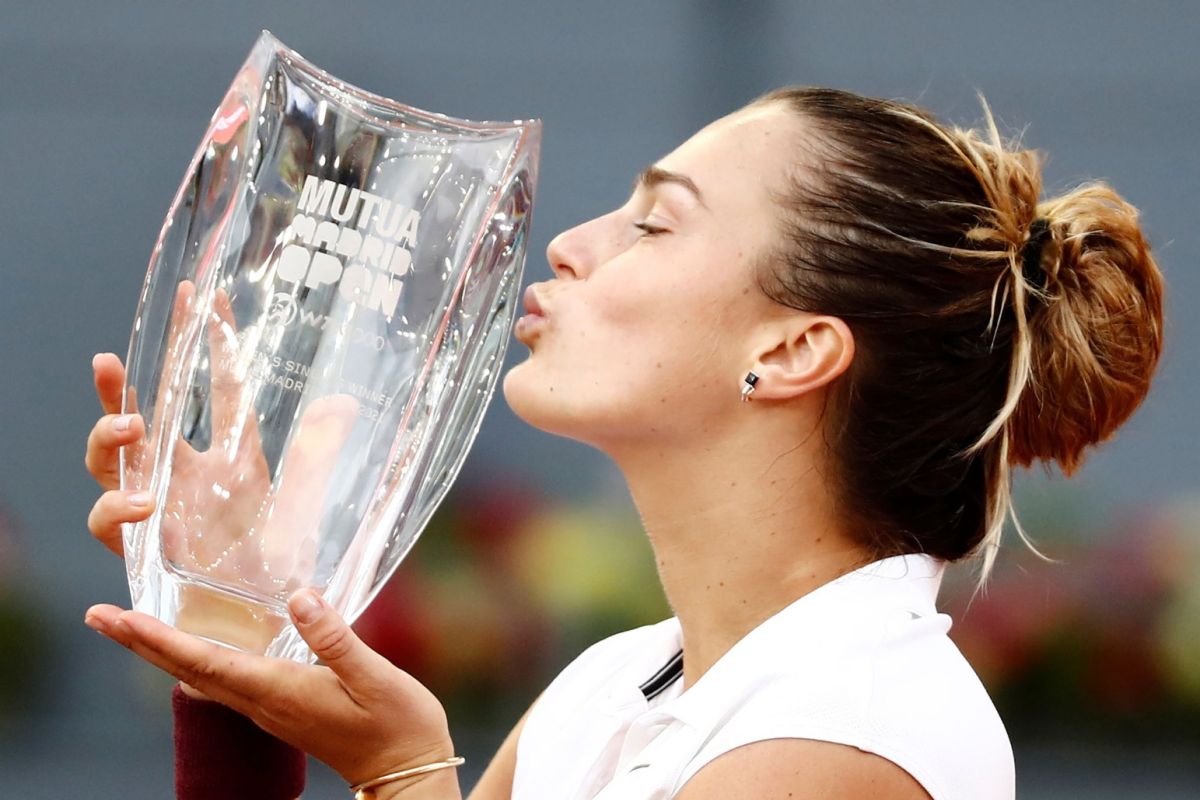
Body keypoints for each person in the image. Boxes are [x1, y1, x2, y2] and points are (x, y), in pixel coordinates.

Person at [83, 86, 1165, 800]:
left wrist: (405, 775)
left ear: (792, 349)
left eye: (655, 222)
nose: (572, 243)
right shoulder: (614, 683)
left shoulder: (852, 729)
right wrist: (236, 640)